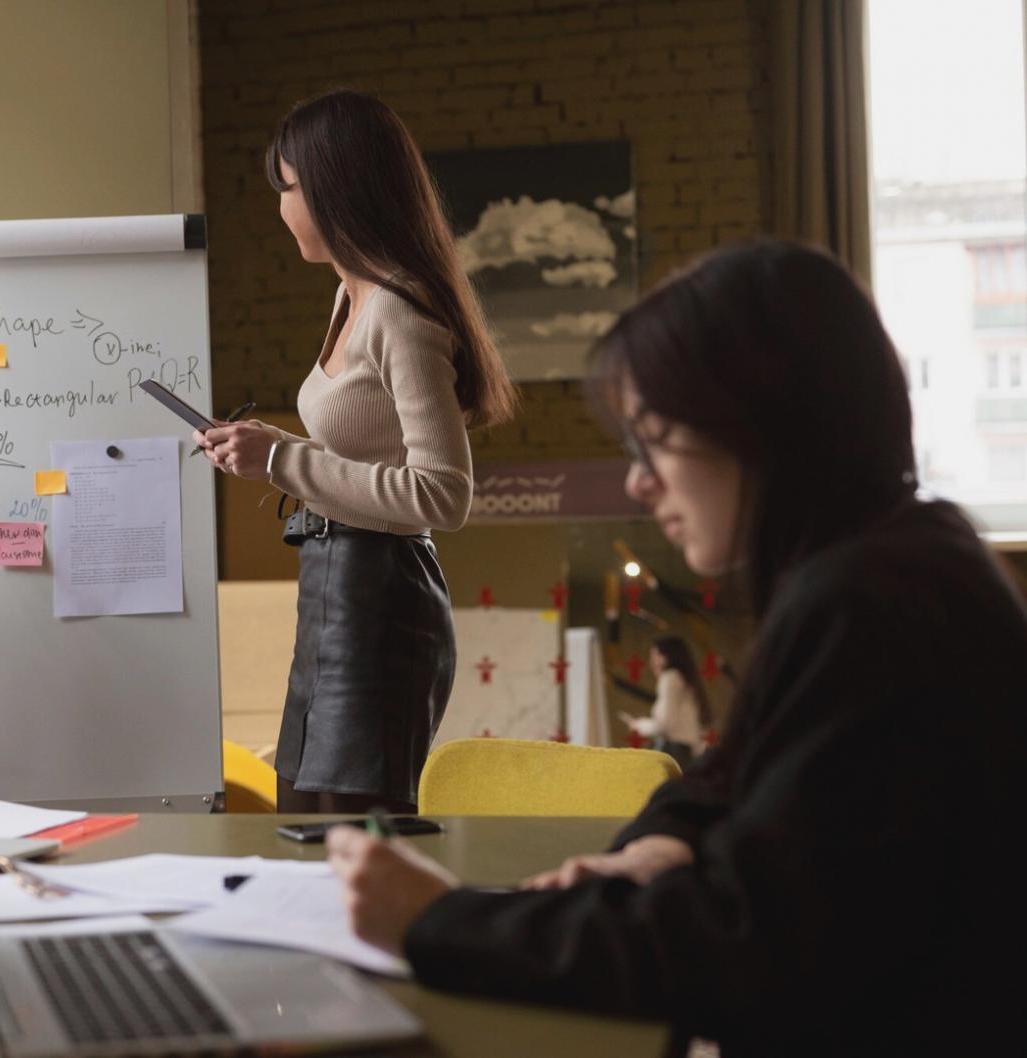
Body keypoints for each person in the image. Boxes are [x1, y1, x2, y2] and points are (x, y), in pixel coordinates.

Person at [326, 241, 1027, 1055]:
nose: (638, 482)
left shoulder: (870, 603)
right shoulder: (896, 553)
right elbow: (734, 775)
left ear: (766, 424)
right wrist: (658, 849)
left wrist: (437, 921)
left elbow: (741, 940)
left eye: (656, 438)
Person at [197, 90, 517, 813]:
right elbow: (361, 449)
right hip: (331, 585)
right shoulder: (349, 299)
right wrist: (268, 445)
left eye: (289, 187)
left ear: (339, 188)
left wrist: (281, 462)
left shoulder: (399, 314)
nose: (281, 209)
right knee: (301, 814)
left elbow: (442, 494)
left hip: (382, 599)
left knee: (348, 830)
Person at [620, 635, 710, 769]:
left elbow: (664, 724)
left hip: (673, 752)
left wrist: (639, 725)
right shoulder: (685, 680)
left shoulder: (670, 678)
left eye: (655, 656)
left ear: (666, 657)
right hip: (685, 753)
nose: (651, 662)